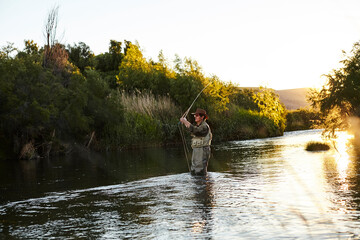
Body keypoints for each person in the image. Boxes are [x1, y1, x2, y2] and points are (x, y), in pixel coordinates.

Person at [180, 108, 212, 175]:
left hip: (203, 150)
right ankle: (197, 184)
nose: (195, 116)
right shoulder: (198, 126)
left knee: (200, 171)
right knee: (194, 170)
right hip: (196, 150)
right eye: (195, 115)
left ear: (202, 117)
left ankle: (203, 184)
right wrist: (185, 122)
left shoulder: (204, 126)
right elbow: (193, 129)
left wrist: (185, 121)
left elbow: (195, 130)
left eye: (197, 115)